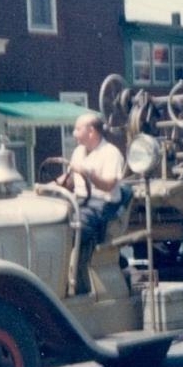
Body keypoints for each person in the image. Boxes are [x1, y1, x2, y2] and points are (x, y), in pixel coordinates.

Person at [69, 113, 126, 294]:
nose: (73, 133)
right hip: (80, 201)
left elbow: (109, 186)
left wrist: (89, 174)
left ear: (91, 131)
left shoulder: (111, 153)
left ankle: (79, 280)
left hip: (102, 204)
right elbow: (69, 179)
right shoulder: (78, 152)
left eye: (77, 129)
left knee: (75, 226)